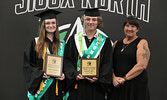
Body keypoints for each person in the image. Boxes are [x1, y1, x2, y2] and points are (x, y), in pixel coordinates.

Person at [63, 8, 113, 100]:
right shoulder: (73, 39)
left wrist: (99, 78)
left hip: (96, 88)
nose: (91, 22)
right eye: (88, 19)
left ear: (98, 22)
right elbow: (67, 61)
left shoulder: (105, 42)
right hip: (78, 86)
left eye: (94, 19)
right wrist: (75, 75)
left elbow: (107, 63)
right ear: (83, 21)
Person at [23, 9, 66, 100]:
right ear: (43, 25)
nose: (51, 25)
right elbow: (28, 65)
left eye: (53, 23)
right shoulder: (35, 43)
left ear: (56, 25)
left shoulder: (62, 44)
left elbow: (68, 64)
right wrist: (40, 73)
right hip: (41, 87)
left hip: (56, 88)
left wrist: (64, 75)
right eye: (47, 23)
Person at [110, 16, 150, 100]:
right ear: (124, 27)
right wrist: (114, 78)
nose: (130, 29)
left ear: (137, 29)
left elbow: (142, 65)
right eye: (127, 25)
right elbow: (109, 64)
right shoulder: (116, 43)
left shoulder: (142, 42)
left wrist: (124, 78)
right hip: (117, 85)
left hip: (135, 86)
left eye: (133, 26)